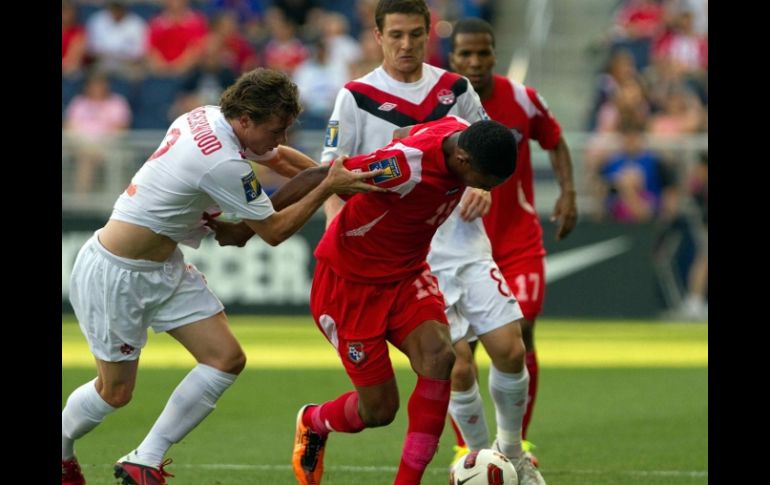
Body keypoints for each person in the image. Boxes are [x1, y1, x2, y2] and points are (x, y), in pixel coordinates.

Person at [61, 68, 383, 485]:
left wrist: (334, 175)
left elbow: (282, 161)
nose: (281, 139)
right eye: (276, 129)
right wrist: (327, 189)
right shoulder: (222, 162)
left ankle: (145, 459)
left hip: (163, 265)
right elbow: (274, 231)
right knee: (115, 392)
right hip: (117, 274)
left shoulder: (210, 115)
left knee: (225, 359)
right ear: (246, 120)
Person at [297, 116, 518, 485]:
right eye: (486, 182)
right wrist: (255, 219)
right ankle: (315, 420)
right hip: (349, 285)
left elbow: (404, 132)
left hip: (407, 274)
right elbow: (321, 175)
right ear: (464, 160)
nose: (485, 189)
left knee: (441, 356)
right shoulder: (403, 167)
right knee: (380, 410)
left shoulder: (457, 127)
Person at [445, 18, 578, 470]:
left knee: (517, 335)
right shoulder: (439, 102)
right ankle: (470, 449)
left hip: (517, 241)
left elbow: (555, 141)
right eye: (466, 54)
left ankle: (515, 444)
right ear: (452, 57)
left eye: (483, 53)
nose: (476, 62)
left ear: (495, 53)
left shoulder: (522, 98)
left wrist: (568, 192)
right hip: (460, 246)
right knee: (460, 353)